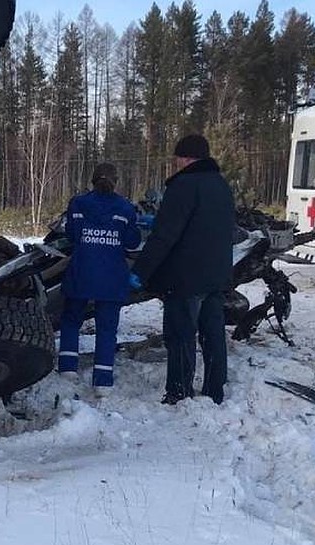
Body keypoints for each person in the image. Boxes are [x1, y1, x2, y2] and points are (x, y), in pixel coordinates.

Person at [129, 134, 235, 404]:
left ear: (186, 158)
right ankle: (214, 389)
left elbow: (165, 236)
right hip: (216, 274)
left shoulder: (184, 186)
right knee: (213, 335)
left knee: (180, 335)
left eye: (177, 158)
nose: (175, 163)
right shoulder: (221, 186)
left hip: (185, 277)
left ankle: (179, 391)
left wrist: (140, 271)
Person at [57, 163, 141, 394]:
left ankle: (67, 368)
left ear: (92, 181)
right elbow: (133, 241)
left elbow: (72, 234)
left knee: (72, 319)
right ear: (116, 181)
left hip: (82, 271)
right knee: (107, 328)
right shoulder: (125, 208)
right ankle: (102, 380)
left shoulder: (78, 203)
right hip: (112, 275)